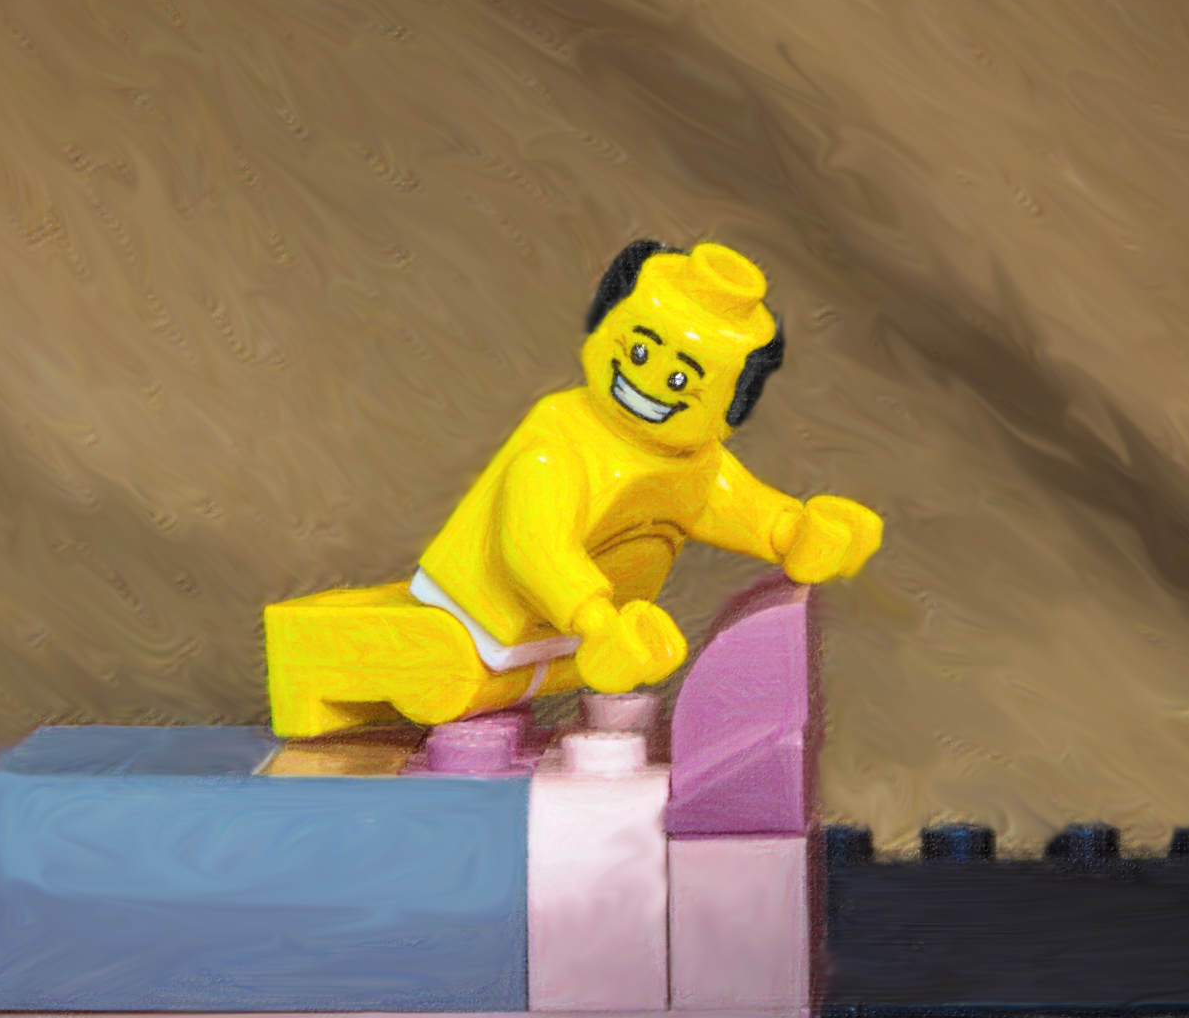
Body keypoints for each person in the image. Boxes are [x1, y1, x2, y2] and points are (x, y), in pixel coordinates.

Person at [264, 239, 883, 738]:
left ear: (731, 407)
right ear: (602, 331)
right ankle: (328, 660)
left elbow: (738, 505)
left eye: (680, 378)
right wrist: (597, 620)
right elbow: (535, 545)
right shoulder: (563, 438)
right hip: (477, 622)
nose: (651, 381)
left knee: (484, 681)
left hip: (563, 645)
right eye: (638, 350)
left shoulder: (696, 463)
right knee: (449, 676)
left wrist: (796, 532)